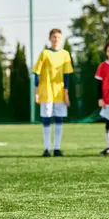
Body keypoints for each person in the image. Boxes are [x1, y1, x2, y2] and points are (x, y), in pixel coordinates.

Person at [33, 28, 74, 157]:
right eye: (54, 37)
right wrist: (37, 92)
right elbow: (37, 74)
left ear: (61, 40)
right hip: (46, 92)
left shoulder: (65, 54)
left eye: (58, 37)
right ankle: (46, 149)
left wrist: (66, 93)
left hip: (59, 92)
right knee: (46, 119)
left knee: (59, 119)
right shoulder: (44, 53)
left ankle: (57, 148)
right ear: (50, 38)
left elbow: (67, 75)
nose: (56, 39)